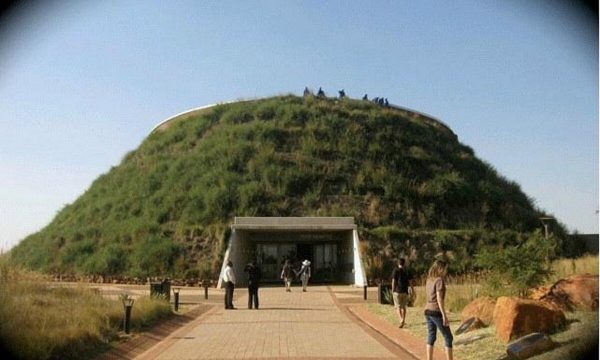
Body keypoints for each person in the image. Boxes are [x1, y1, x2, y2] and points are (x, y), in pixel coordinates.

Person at [424, 259, 453, 360]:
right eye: (445, 269)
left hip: (427, 311)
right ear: (440, 269)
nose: (446, 271)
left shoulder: (429, 279)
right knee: (448, 337)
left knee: (431, 336)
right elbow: (439, 298)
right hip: (436, 311)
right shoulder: (439, 280)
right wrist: (444, 315)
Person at [391, 258, 414, 328]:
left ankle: (401, 319)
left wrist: (392, 290)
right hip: (405, 291)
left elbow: (393, 281)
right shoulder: (407, 271)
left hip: (397, 291)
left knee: (397, 306)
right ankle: (403, 319)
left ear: (398, 263)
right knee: (403, 307)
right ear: (404, 263)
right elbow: (410, 282)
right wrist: (412, 289)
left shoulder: (395, 270)